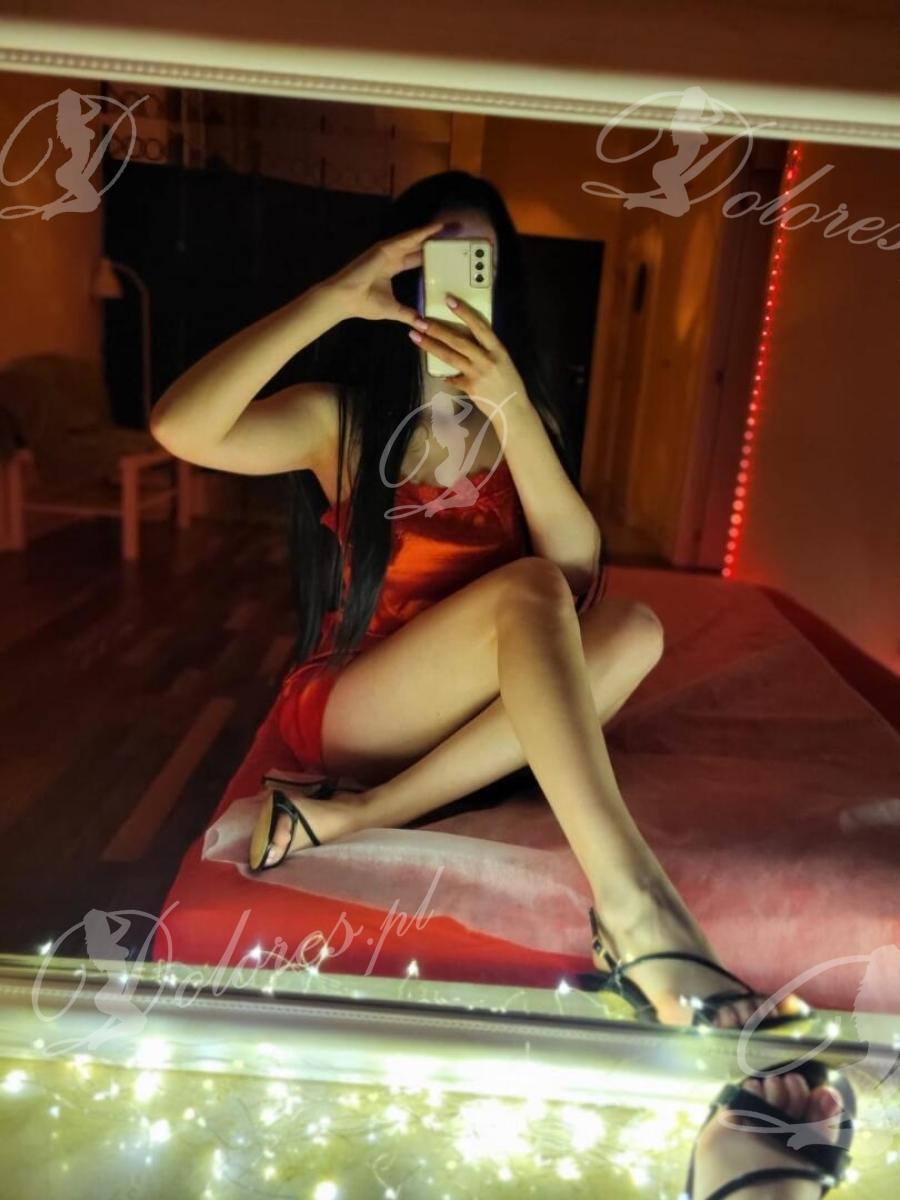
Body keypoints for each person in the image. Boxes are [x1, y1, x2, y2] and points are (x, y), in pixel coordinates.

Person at [150, 170, 810, 1032]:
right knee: (531, 593)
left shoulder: (520, 417)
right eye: (435, 255)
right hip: (360, 703)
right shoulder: (342, 420)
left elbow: (578, 574)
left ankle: (366, 814)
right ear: (398, 269)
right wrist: (330, 300)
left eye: (479, 262)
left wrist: (510, 405)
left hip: (480, 690)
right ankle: (636, 906)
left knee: (635, 628)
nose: (456, 279)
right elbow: (180, 428)